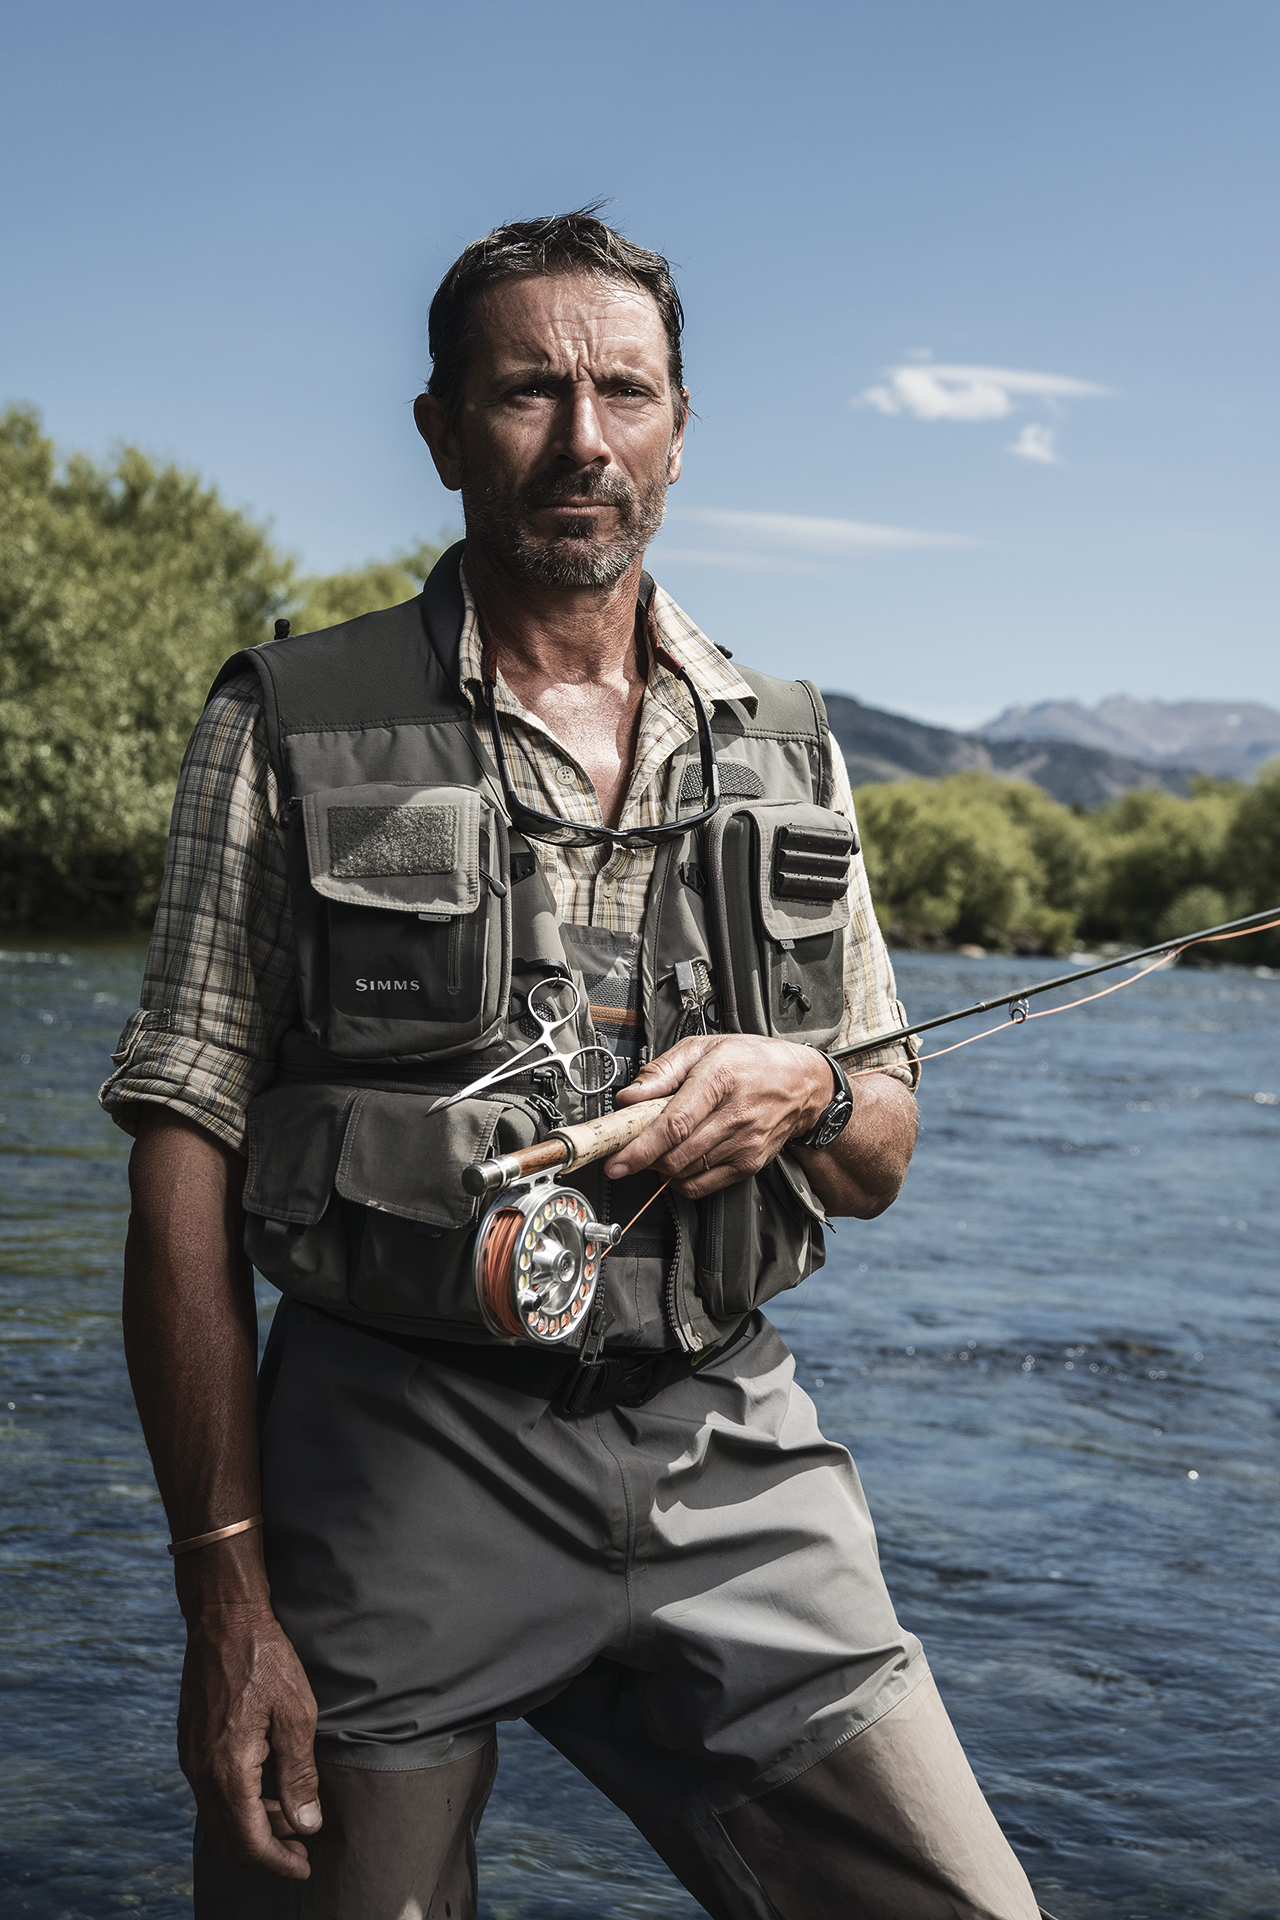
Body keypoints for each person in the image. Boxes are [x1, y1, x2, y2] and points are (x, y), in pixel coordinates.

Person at [107, 210, 1053, 1919]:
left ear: (682, 430)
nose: (583, 440)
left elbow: (885, 1139)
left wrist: (809, 1092)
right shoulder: (287, 720)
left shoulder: (791, 745)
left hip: (728, 1446)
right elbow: (181, 1149)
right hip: (391, 1465)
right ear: (442, 428)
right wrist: (228, 1603)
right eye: (529, 392)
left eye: (624, 392)